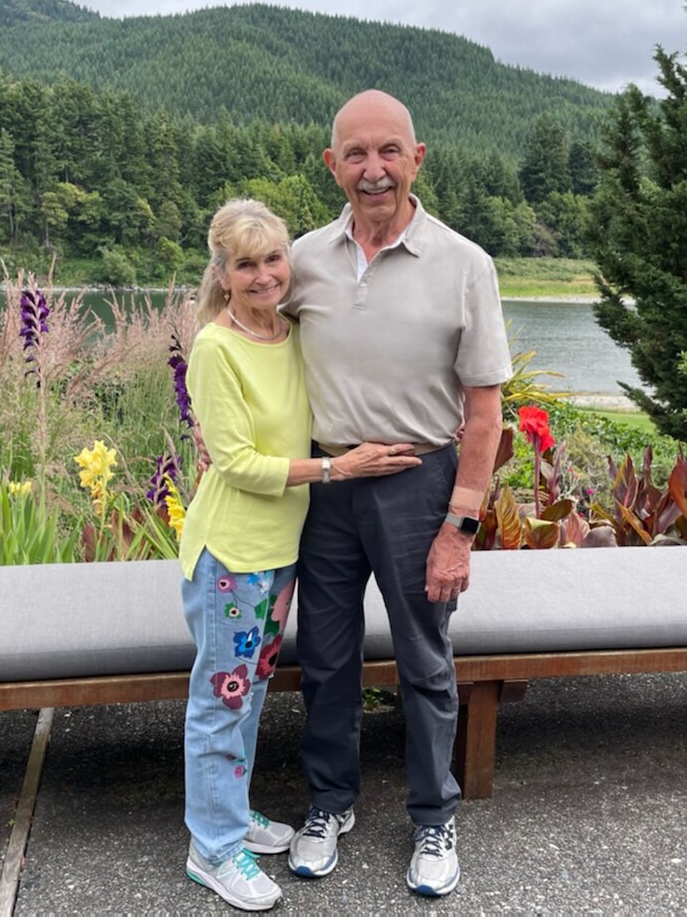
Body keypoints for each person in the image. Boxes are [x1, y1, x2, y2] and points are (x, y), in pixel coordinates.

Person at [283, 91, 513, 898]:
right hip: (328, 484)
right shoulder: (302, 260)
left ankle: (433, 817)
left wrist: (461, 525)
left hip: (420, 487)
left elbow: (485, 414)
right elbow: (238, 338)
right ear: (331, 165)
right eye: (355, 153)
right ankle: (329, 802)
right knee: (326, 656)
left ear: (418, 158)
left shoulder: (465, 264)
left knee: (424, 660)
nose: (372, 169)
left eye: (388, 151)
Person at [178, 198, 419, 912]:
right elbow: (237, 463)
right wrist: (335, 471)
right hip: (232, 553)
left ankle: (229, 813)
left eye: (273, 259)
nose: (262, 275)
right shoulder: (216, 347)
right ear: (221, 272)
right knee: (219, 701)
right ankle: (210, 849)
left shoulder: (287, 331)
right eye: (245, 264)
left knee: (246, 692)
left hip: (280, 551)